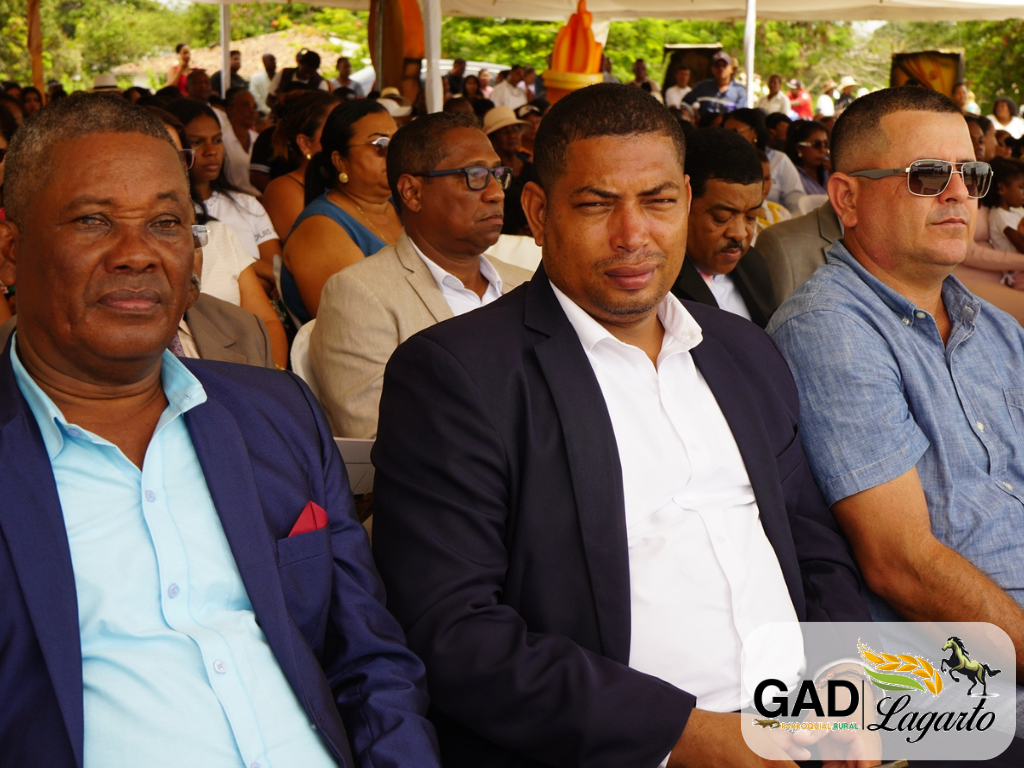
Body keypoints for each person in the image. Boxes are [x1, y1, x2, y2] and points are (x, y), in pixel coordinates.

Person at [371, 82, 872, 768]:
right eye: (596, 204)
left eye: (658, 202)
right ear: (539, 212)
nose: (633, 236)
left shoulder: (744, 351)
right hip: (628, 749)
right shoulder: (458, 375)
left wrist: (842, 682)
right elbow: (453, 630)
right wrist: (686, 737)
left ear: (686, 201)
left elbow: (815, 547)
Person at [0, 91, 441, 768]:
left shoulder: (277, 413)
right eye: (93, 221)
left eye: (166, 223)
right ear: (11, 250)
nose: (138, 254)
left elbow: (370, 657)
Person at [767, 85, 1024, 746]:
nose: (959, 194)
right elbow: (901, 564)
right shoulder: (829, 330)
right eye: (928, 176)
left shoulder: (995, 329)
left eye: (970, 174)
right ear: (847, 198)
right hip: (957, 685)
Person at [310, 112, 533, 438]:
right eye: (474, 175)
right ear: (412, 192)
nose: (496, 193)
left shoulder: (527, 284)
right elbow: (376, 435)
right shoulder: (360, 294)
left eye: (497, 175)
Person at [164, 99, 286, 365]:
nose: (210, 151)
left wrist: (272, 381)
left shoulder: (220, 231)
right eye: (198, 142)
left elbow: (269, 308)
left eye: (218, 141)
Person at [282, 99, 400, 323]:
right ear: (340, 161)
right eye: (381, 145)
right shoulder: (319, 230)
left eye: (398, 142)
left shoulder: (400, 205)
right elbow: (355, 323)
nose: (394, 153)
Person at [669, 128, 777, 327]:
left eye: (751, 217)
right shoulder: (659, 284)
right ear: (684, 202)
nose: (739, 233)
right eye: (721, 218)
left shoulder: (754, 265)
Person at [262, 90, 339, 243]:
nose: (346, 136)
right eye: (335, 130)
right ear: (305, 143)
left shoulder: (346, 182)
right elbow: (312, 246)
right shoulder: (283, 189)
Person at [724, 108, 804, 213]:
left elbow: (797, 203)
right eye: (725, 133)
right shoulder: (724, 162)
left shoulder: (779, 159)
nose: (729, 138)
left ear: (754, 132)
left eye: (735, 132)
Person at [483, 105, 534, 235]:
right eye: (505, 132)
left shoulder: (532, 169)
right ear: (492, 139)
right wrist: (517, 231)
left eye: (515, 130)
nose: (512, 135)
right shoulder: (489, 174)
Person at [217, 87, 261, 197]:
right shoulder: (221, 139)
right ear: (230, 110)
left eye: (254, 107)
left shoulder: (258, 139)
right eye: (246, 105)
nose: (252, 111)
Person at [683, 51, 747, 116]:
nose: (721, 68)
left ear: (732, 69)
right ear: (712, 69)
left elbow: (742, 114)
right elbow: (685, 104)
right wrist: (691, 116)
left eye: (724, 65)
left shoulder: (739, 91)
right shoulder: (702, 87)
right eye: (717, 65)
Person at [785, 119, 831, 195]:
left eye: (825, 144)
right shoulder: (792, 176)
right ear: (799, 148)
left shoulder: (827, 171)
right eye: (816, 144)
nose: (823, 150)